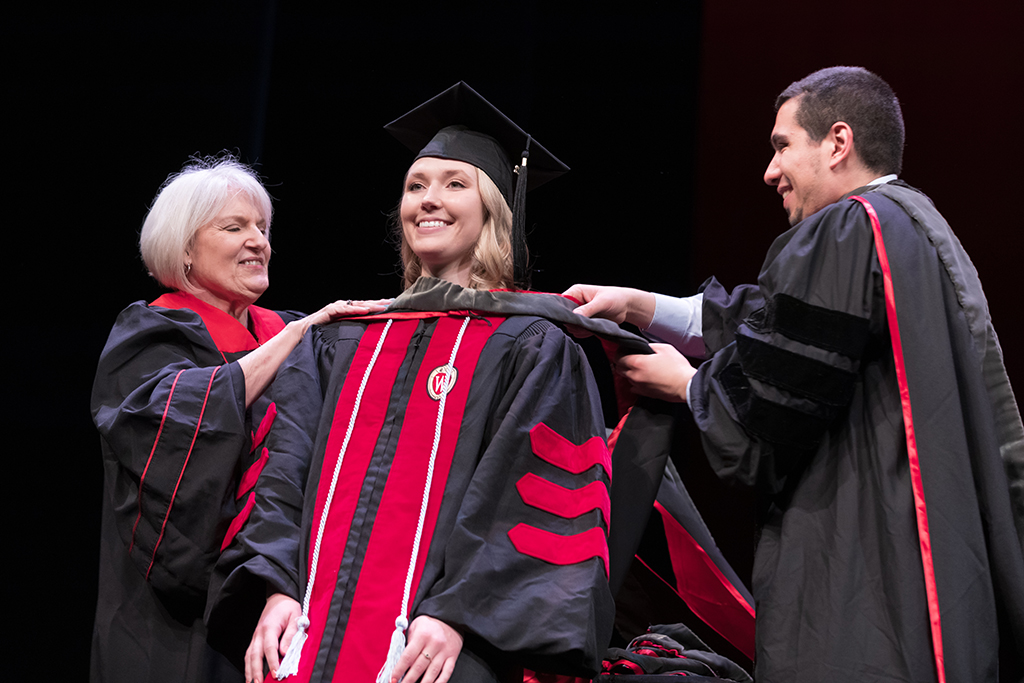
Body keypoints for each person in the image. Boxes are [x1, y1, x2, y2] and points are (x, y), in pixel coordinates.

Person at [208, 83, 718, 683]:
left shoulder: (533, 345)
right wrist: (275, 586)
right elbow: (281, 473)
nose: (429, 200)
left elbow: (530, 500)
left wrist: (459, 612)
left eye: (455, 183)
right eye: (415, 185)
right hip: (307, 640)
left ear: (494, 211)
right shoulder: (340, 338)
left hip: (448, 649)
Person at [566, 66, 1024, 682]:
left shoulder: (846, 227)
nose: (770, 170)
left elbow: (774, 396)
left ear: (838, 143)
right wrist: (641, 304)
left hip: (869, 577)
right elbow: (779, 323)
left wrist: (689, 385)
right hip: (939, 575)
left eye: (783, 146)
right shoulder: (916, 227)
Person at [91, 155, 387, 683]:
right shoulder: (151, 333)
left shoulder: (297, 334)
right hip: (169, 627)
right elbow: (169, 429)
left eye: (263, 228)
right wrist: (292, 340)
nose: (259, 242)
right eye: (235, 227)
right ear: (184, 249)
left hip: (280, 610)